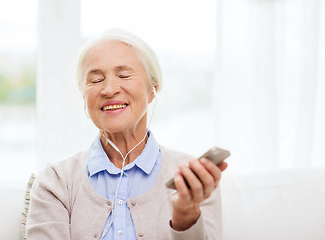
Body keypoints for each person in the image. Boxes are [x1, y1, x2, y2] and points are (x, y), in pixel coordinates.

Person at [26, 29, 228, 240]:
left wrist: (186, 217)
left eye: (124, 75)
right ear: (83, 94)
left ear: (153, 89)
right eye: (95, 80)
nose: (109, 89)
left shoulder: (195, 179)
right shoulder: (55, 181)